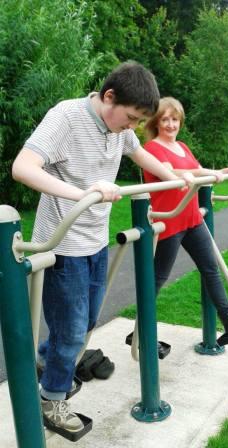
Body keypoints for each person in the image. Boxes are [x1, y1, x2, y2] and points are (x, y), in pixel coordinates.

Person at [12, 64, 190, 434]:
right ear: (109, 97)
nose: (133, 127)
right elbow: (23, 167)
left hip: (95, 242)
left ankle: (47, 361)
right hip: (65, 244)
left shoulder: (120, 129)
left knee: (85, 323)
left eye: (140, 121)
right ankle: (51, 399)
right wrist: (85, 194)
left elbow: (142, 156)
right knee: (74, 331)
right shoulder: (67, 117)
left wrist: (179, 177)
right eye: (131, 118)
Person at [143, 97, 228, 347]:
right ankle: (141, 331)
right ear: (156, 122)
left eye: (175, 119)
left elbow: (199, 171)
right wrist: (207, 173)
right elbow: (172, 173)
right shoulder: (152, 148)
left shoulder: (183, 147)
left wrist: (226, 171)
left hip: (192, 218)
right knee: (157, 278)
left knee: (210, 269)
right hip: (170, 220)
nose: (171, 124)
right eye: (165, 119)